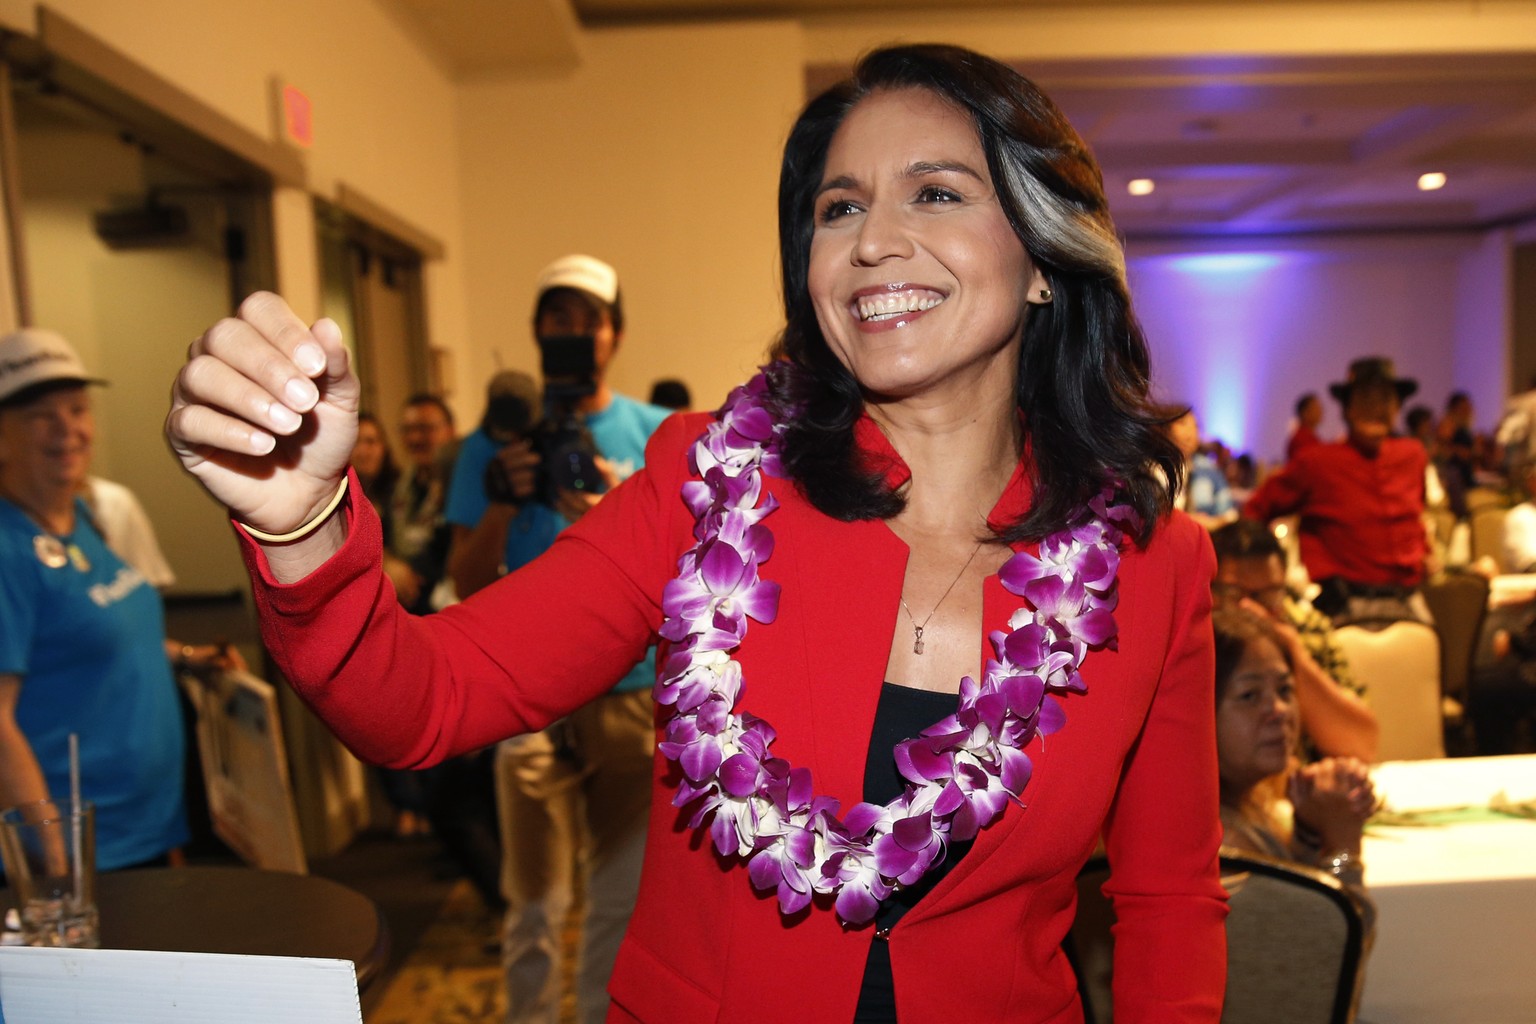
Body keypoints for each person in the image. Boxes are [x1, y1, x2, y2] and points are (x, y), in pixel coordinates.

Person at [165, 44, 1227, 1023]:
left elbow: (1169, 903)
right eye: (838, 207)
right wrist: (303, 521)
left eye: (937, 193)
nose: (872, 243)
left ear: (1045, 255)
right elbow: (427, 700)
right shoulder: (708, 487)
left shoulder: (1153, 566)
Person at [444, 257, 670, 1024]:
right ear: (538, 332)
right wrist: (504, 506)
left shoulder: (653, 438)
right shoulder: (494, 442)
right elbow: (465, 582)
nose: (574, 334)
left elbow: (692, 577)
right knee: (533, 904)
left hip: (633, 700)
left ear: (616, 333)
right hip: (526, 701)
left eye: (589, 320)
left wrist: (614, 510)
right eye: (558, 319)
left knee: (618, 903)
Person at [0, 328, 191, 871]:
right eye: (42, 415)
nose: (68, 430)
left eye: (77, 410)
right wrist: (58, 865)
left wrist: (190, 660)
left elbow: (108, 640)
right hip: (84, 855)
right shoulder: (6, 551)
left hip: (144, 830)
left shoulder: (83, 519)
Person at [1211, 607, 1375, 928]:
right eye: (1249, 695)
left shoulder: (1245, 807)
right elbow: (1322, 956)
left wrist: (1310, 831)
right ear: (1196, 709)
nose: (1280, 710)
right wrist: (1342, 844)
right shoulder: (1223, 849)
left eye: (1285, 690)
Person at [1245, 357, 1433, 625]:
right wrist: (1265, 579)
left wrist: (1425, 551)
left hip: (1409, 600)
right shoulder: (1317, 463)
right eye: (1365, 398)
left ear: (1397, 408)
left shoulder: (1412, 455)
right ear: (1347, 409)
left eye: (1385, 399)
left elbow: (1417, 516)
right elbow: (1256, 510)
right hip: (1346, 606)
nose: (1376, 408)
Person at [1209, 520, 1378, 762]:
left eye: (1270, 594)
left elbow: (1361, 744)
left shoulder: (1308, 628)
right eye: (1236, 594)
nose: (1253, 609)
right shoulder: (1196, 639)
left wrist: (1293, 653)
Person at [1166, 406, 1234, 528]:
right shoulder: (1153, 469)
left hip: (1206, 535)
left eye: (1195, 426)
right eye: (1182, 423)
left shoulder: (1209, 469)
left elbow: (1229, 514)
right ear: (1166, 429)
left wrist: (1215, 522)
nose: (1190, 432)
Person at [1286, 392, 1324, 462]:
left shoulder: (1311, 437)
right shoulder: (1300, 440)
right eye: (1316, 408)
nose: (1321, 411)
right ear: (1305, 413)